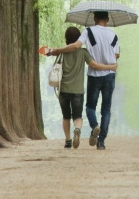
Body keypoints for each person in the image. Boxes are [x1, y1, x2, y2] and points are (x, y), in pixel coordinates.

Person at [48, 11, 120, 150]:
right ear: (108, 19)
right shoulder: (113, 36)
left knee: (90, 107)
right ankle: (101, 142)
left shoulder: (89, 32)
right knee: (106, 109)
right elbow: (116, 54)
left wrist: (56, 50)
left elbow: (75, 46)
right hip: (110, 75)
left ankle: (94, 127)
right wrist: (110, 64)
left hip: (94, 76)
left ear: (94, 18)